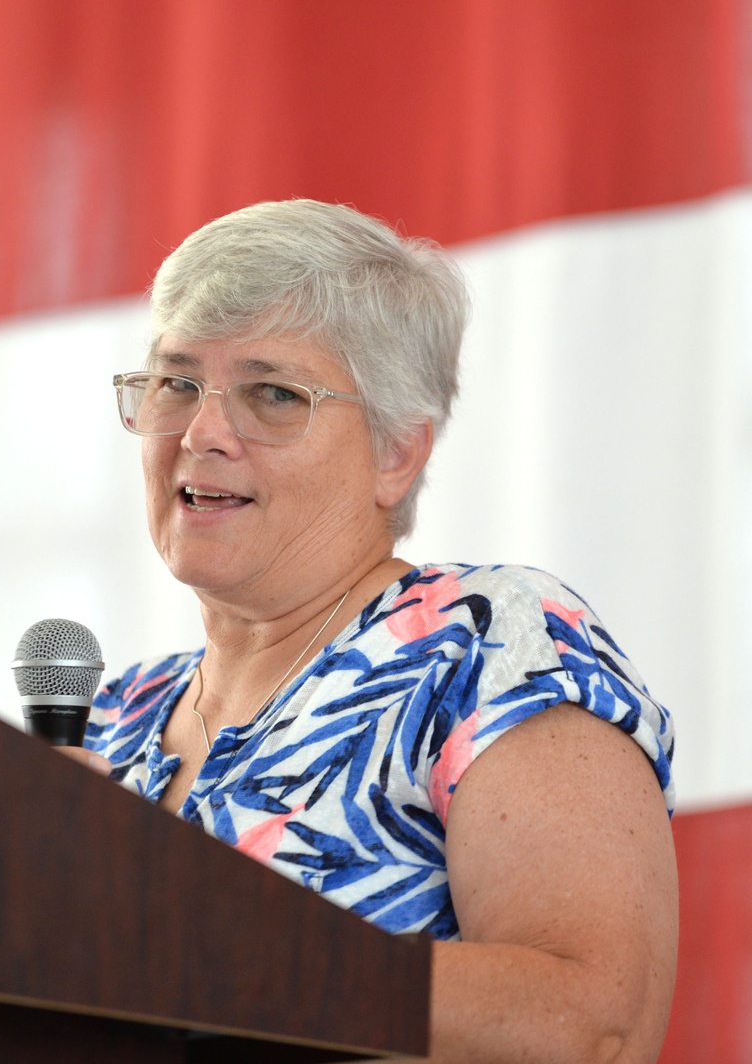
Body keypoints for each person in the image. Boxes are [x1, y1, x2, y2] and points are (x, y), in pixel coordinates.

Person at [64, 199, 677, 1063]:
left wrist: (199, 943)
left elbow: (592, 1026)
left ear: (397, 452)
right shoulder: (113, 717)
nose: (202, 432)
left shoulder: (488, 643)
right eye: (176, 382)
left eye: (272, 393)